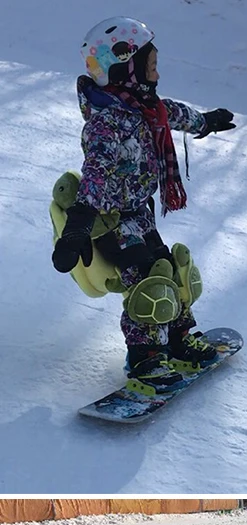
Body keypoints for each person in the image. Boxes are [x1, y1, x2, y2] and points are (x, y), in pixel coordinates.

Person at [52, 17, 235, 394]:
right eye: (151, 66)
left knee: (172, 272)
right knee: (148, 283)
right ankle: (146, 359)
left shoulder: (146, 108)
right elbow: (97, 172)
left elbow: (178, 114)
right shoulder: (107, 123)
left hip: (141, 216)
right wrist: (78, 226)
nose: (157, 72)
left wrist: (206, 122)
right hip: (112, 222)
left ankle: (179, 338)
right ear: (126, 68)